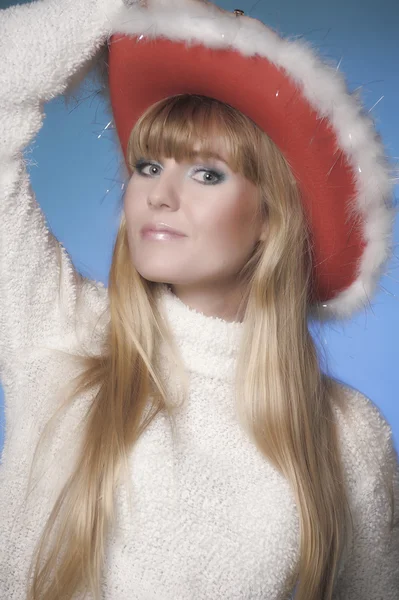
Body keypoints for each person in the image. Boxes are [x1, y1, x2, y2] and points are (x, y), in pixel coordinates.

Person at [0, 0, 398, 599]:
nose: (160, 195)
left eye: (207, 173)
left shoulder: (347, 438)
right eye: (148, 164)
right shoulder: (61, 333)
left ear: (271, 216)